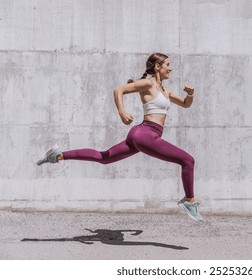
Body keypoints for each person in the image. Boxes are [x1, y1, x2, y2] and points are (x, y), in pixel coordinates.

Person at [36, 52, 203, 222]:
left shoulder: (165, 91)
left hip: (141, 135)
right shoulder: (148, 84)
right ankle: (190, 201)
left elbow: (185, 104)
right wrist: (122, 112)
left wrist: (190, 94)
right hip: (145, 134)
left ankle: (57, 155)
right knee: (187, 160)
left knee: (104, 157)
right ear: (157, 67)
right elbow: (119, 90)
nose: (171, 68)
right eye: (167, 64)